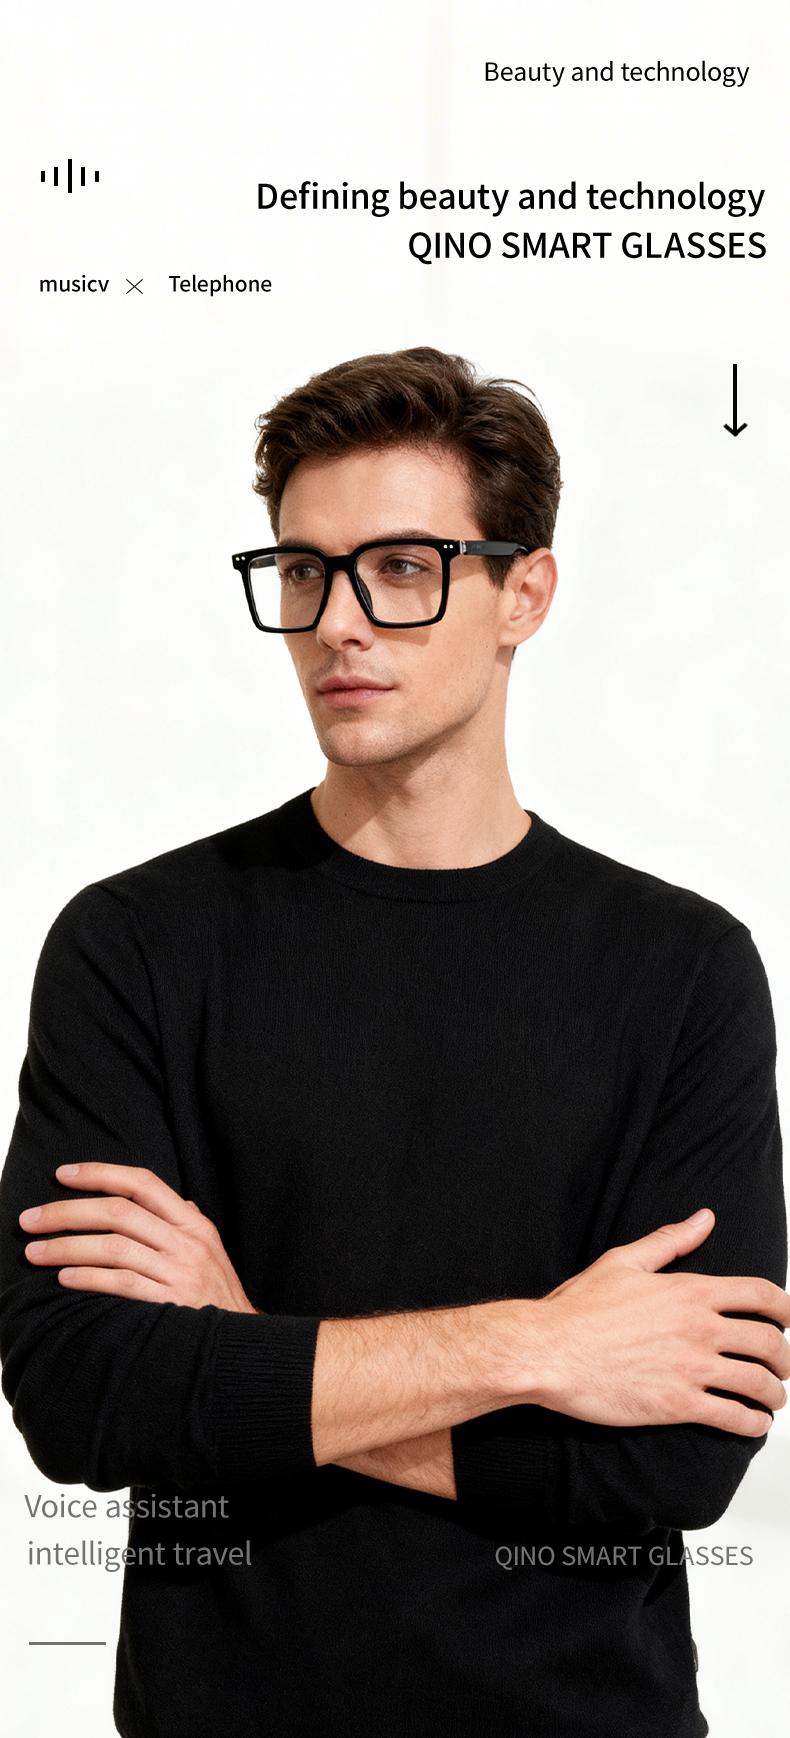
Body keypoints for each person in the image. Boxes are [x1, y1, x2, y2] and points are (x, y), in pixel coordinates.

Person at [1, 344, 787, 1738]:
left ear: (522, 592)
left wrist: (245, 1350)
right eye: (304, 572)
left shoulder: (680, 969)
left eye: (402, 568)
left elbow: (672, 1462)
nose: (339, 624)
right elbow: (82, 1397)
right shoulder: (136, 945)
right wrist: (540, 1346)